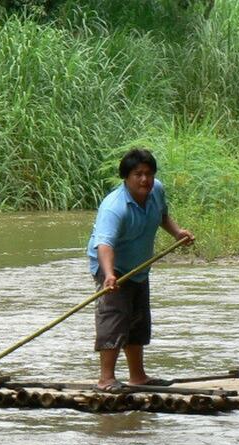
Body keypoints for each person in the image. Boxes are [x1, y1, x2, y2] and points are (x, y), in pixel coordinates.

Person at [87, 148, 194, 393]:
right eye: (138, 174)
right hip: (112, 269)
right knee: (113, 319)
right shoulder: (114, 207)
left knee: (138, 320)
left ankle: (138, 376)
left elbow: (162, 215)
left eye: (149, 174)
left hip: (139, 267)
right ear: (127, 177)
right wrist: (110, 274)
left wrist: (178, 233)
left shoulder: (156, 190)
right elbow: (104, 244)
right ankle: (106, 379)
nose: (145, 179)